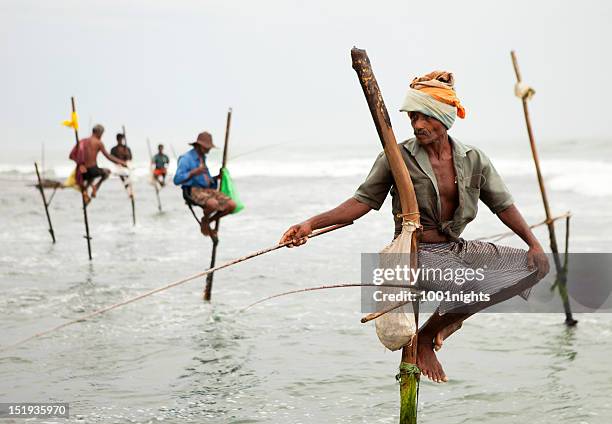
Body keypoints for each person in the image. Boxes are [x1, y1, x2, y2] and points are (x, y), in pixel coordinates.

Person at [279, 71, 550, 383]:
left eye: (427, 117)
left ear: (445, 118)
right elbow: (361, 202)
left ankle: (441, 324)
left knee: (533, 268)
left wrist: (534, 244)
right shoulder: (398, 157)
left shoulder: (473, 158)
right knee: (470, 282)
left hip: (453, 248)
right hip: (415, 253)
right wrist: (309, 225)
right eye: (413, 118)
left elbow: (503, 205)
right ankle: (426, 338)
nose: (419, 125)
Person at [173, 131, 236, 240]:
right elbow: (177, 179)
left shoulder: (202, 158)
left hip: (207, 190)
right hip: (192, 190)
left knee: (231, 205)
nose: (208, 150)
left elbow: (207, 179)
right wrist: (194, 172)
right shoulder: (186, 158)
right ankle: (206, 220)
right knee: (213, 204)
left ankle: (206, 221)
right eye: (207, 147)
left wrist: (217, 177)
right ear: (199, 146)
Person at [71, 124, 127, 205]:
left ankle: (85, 192)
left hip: (82, 171)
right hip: (93, 170)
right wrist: (121, 162)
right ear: (98, 132)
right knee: (107, 172)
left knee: (90, 178)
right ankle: (96, 187)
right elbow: (108, 156)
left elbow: (72, 155)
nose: (101, 136)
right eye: (102, 134)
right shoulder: (98, 143)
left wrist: (80, 164)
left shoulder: (82, 141)